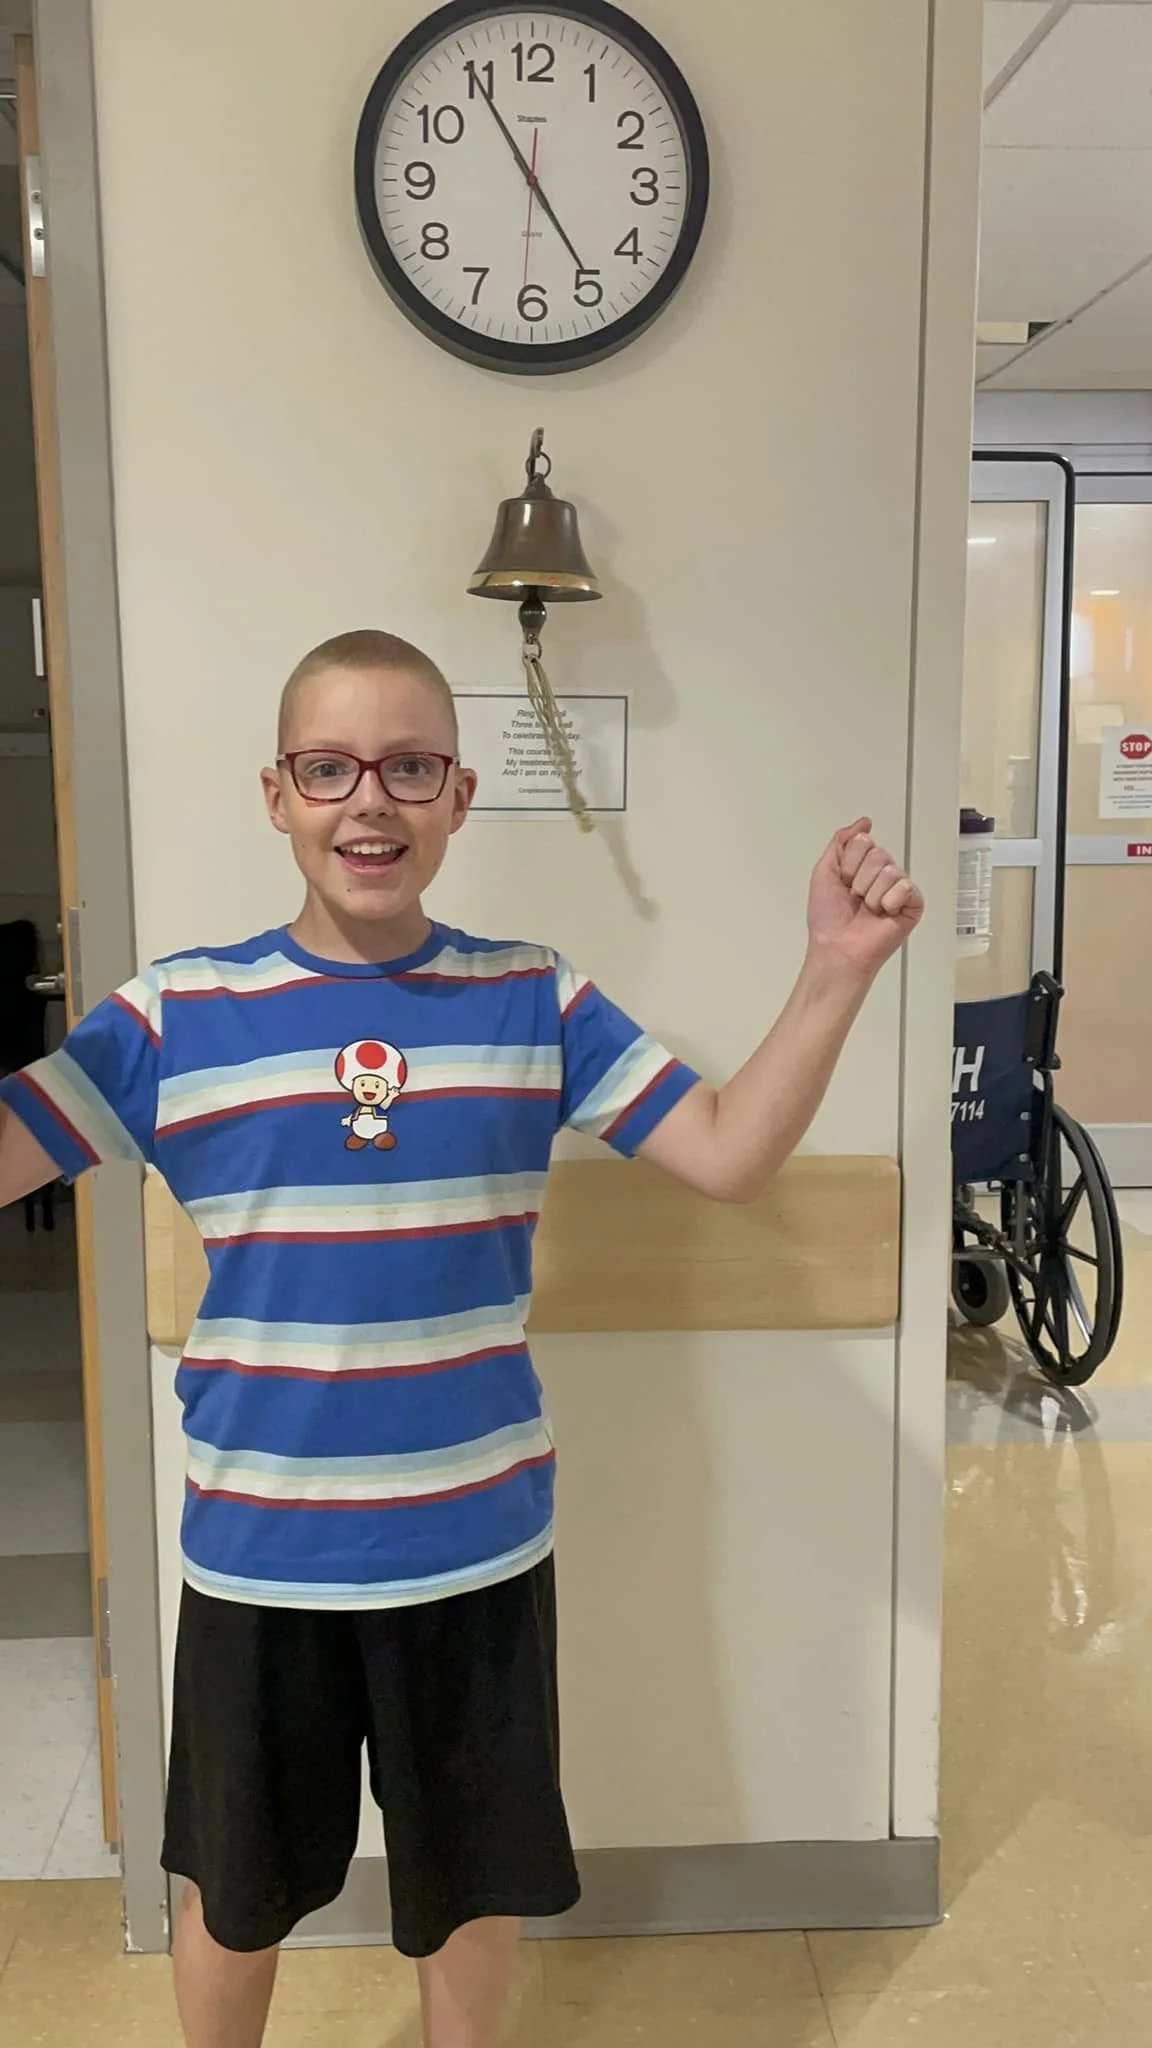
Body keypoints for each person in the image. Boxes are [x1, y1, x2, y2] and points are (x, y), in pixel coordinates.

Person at [0, 629, 924, 2048]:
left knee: (469, 1891)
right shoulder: (176, 1014)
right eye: (330, 768)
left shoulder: (533, 998)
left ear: (458, 793)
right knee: (236, 1891)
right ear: (276, 793)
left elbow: (731, 1153)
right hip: (263, 1554)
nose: (369, 802)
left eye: (409, 767)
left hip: (475, 1547)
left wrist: (836, 969)